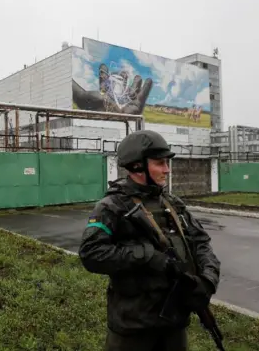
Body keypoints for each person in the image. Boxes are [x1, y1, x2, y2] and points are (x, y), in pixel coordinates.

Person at [78, 130, 221, 351]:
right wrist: (147, 256)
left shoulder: (173, 203)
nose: (167, 169)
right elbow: (91, 253)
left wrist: (207, 279)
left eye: (166, 163)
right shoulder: (112, 206)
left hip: (174, 323)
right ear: (137, 166)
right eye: (160, 163)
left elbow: (201, 242)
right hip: (134, 328)